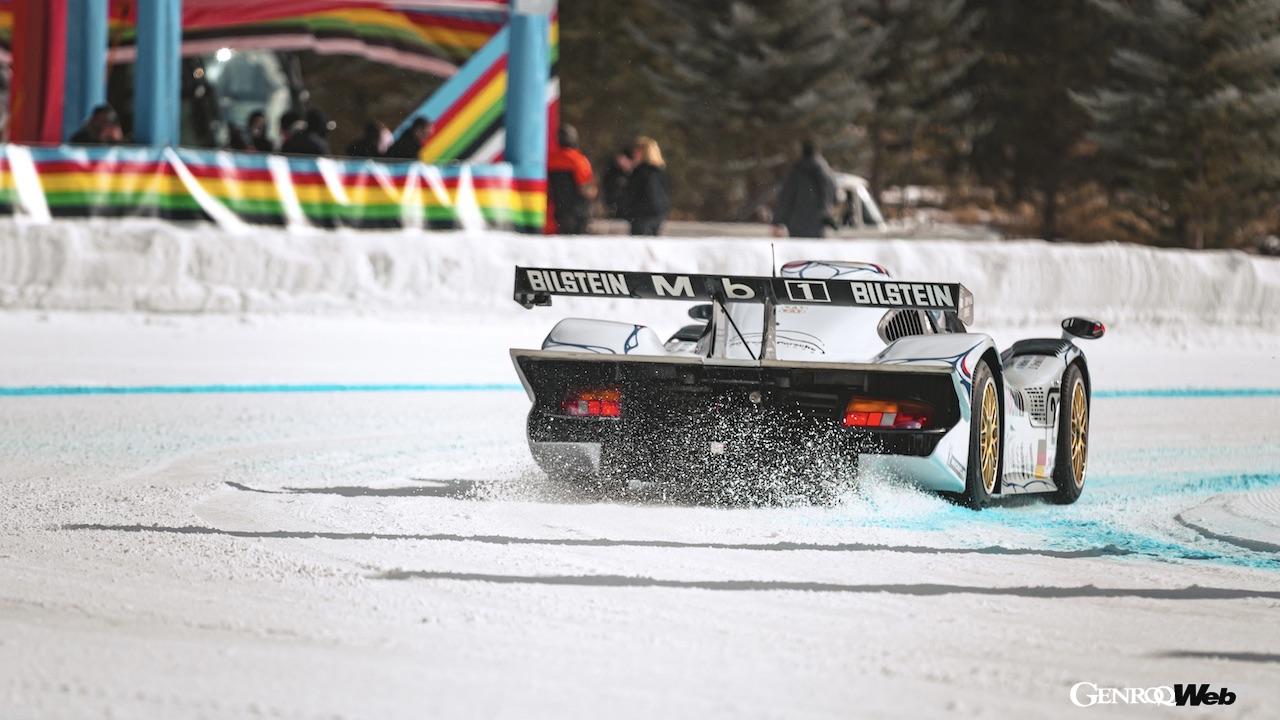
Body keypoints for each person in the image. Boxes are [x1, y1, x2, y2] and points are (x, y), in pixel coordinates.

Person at [772, 139, 837, 238]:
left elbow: (786, 198)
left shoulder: (796, 172)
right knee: (816, 252)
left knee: (798, 252)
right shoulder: (825, 173)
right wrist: (827, 215)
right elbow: (831, 196)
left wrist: (778, 220)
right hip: (818, 225)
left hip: (796, 225)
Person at [546, 125, 596, 234]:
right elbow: (587, 189)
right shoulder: (579, 161)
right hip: (575, 215)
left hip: (554, 214)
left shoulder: (550, 159)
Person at [620, 136, 670, 236]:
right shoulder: (657, 171)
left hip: (643, 218)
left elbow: (649, 195)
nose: (633, 153)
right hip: (653, 216)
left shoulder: (645, 172)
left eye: (636, 150)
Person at [600, 146, 633, 219]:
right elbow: (607, 187)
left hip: (630, 209)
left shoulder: (634, 172)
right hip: (615, 207)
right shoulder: (612, 171)